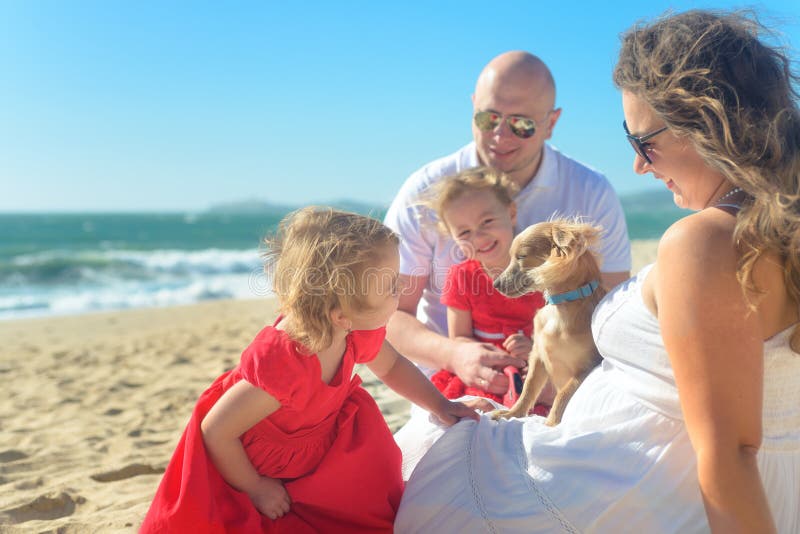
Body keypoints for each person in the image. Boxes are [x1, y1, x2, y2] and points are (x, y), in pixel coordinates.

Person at [394, 10, 800, 533]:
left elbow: (730, 456)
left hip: (630, 496)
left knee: (435, 456)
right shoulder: (779, 230)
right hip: (642, 474)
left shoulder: (703, 242)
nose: (639, 165)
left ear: (705, 125)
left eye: (643, 142)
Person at [140, 207, 477, 533]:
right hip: (248, 457)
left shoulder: (354, 328)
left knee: (375, 466)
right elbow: (215, 430)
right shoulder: (285, 363)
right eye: (390, 287)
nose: (400, 292)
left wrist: (440, 404)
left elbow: (392, 366)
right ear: (341, 314)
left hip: (317, 434)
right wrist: (255, 486)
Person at [384, 50, 631, 398]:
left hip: (559, 387)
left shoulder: (591, 193)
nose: (501, 136)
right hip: (449, 390)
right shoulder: (425, 193)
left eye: (522, 124)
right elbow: (388, 315)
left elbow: (612, 312)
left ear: (551, 123)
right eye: (489, 119)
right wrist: (454, 353)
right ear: (473, 106)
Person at [419, 167, 548, 411]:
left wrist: (533, 346)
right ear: (453, 237)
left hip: (535, 366)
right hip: (487, 373)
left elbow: (558, 325)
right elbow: (459, 337)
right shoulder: (462, 277)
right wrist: (485, 355)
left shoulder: (539, 269)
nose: (478, 236)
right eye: (465, 232)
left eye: (487, 221)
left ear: (510, 213)